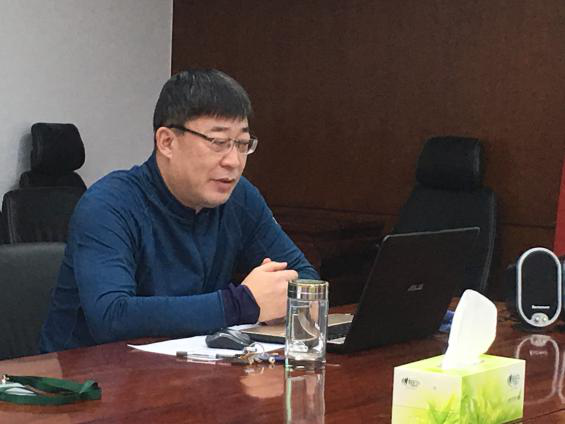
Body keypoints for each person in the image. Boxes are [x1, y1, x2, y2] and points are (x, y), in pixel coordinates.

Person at [40, 69, 319, 352]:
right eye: (218, 143)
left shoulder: (239, 197)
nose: (234, 161)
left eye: (242, 144)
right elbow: (111, 316)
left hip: (190, 367)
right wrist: (242, 303)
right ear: (167, 142)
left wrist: (283, 297)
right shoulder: (108, 205)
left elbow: (307, 279)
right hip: (86, 373)